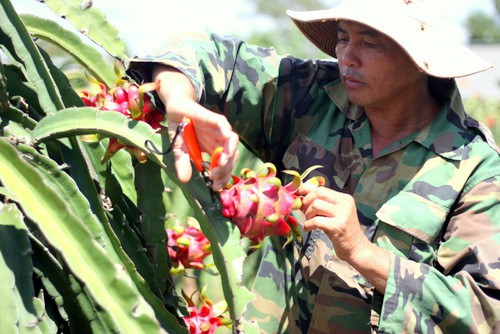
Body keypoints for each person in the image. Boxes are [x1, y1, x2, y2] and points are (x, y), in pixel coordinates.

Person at [127, 0, 500, 332]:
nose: (347, 57)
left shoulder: (475, 169)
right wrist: (180, 97)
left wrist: (366, 256)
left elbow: (487, 312)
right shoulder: (309, 94)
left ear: (421, 59)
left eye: (370, 43)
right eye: (342, 37)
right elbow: (200, 52)